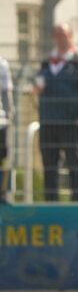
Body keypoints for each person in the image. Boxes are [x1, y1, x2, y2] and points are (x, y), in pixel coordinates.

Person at [31, 23, 78, 202]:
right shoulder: (45, 64)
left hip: (71, 123)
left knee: (74, 166)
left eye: (64, 34)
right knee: (49, 167)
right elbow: (35, 89)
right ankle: (51, 204)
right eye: (57, 34)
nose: (61, 38)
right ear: (53, 38)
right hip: (48, 123)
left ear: (71, 37)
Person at [0, 55, 12, 204]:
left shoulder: (2, 64)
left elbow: (7, 95)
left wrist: (9, 117)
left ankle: (2, 195)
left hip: (0, 122)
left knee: (2, 159)